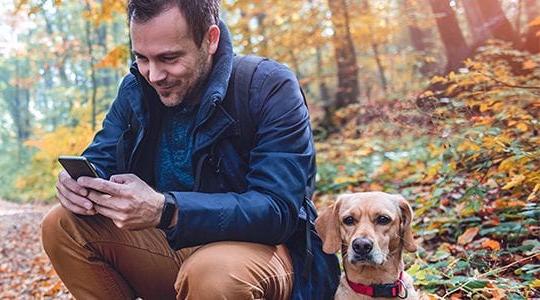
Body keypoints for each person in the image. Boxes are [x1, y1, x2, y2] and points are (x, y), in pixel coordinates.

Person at [40, 0, 341, 299]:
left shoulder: (267, 87)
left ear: (210, 40)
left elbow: (277, 211)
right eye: (142, 58)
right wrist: (78, 185)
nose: (154, 74)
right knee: (62, 225)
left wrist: (167, 209)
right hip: (171, 248)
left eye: (169, 58)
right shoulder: (136, 89)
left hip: (265, 252)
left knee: (213, 274)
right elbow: (101, 158)